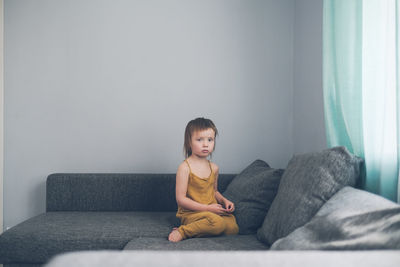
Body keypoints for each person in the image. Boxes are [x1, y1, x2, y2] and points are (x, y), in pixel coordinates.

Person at [168, 117, 239, 242]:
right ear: (189, 143)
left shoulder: (214, 168)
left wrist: (224, 201)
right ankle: (183, 231)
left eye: (210, 140)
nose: (206, 144)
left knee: (233, 228)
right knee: (217, 224)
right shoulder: (185, 168)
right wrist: (207, 208)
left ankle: (201, 229)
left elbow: (214, 191)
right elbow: (180, 199)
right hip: (192, 213)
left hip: (212, 212)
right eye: (200, 140)